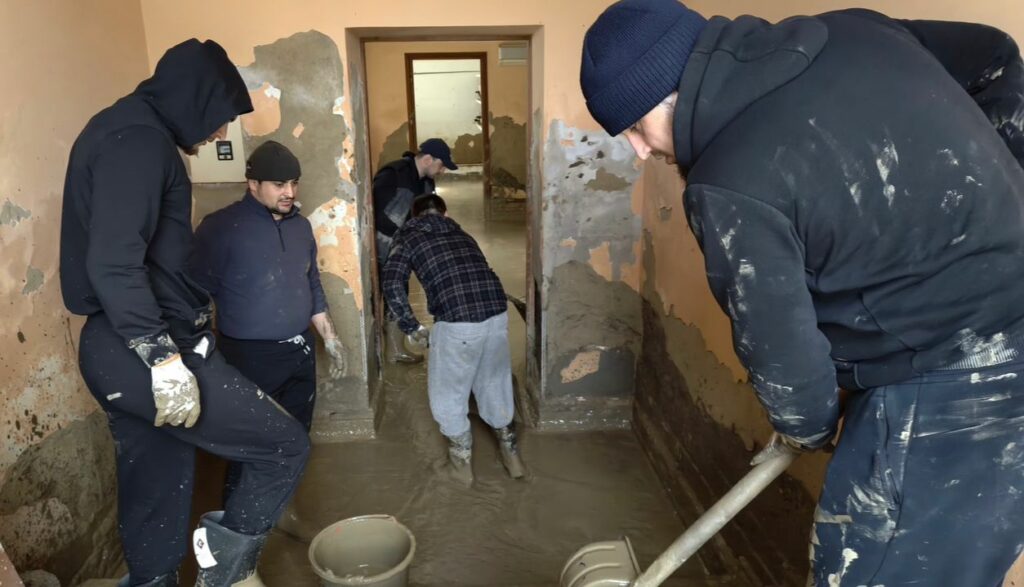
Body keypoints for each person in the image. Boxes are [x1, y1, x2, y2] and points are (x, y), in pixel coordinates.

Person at [580, 1, 1024, 585]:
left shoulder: (728, 182)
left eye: (637, 128)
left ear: (672, 93)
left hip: (950, 385)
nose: (640, 151)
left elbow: (783, 356)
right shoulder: (853, 31)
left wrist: (806, 426)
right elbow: (995, 56)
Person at [60, 39, 310, 587]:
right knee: (283, 446)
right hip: (143, 345)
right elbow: (113, 263)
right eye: (221, 118)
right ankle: (225, 571)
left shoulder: (124, 129)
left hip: (116, 345)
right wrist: (163, 359)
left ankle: (152, 580)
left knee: (156, 480)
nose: (221, 133)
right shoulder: (139, 141)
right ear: (196, 98)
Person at [187, 140, 345, 539]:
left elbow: (311, 283)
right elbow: (193, 294)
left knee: (295, 438)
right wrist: (197, 357)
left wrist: (329, 337)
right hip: (248, 358)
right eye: (279, 184)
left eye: (294, 183)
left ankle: (282, 511)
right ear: (253, 184)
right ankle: (236, 534)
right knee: (250, 445)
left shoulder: (300, 227)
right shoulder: (220, 228)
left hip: (300, 351)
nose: (289, 192)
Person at [382, 194, 524, 486]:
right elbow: (482, 271)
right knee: (494, 382)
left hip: (458, 320)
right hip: (497, 312)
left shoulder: (407, 236)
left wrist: (411, 327)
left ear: (414, 216)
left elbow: (392, 282)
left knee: (448, 392)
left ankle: (461, 467)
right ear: (444, 213)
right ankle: (512, 457)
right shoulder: (463, 234)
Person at [373, 138, 458, 363]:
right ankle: (388, 349)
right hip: (383, 246)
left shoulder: (426, 182)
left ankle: (394, 349)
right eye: (441, 165)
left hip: (405, 244)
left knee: (399, 289)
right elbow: (377, 214)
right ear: (428, 159)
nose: (442, 171)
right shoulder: (393, 175)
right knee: (387, 291)